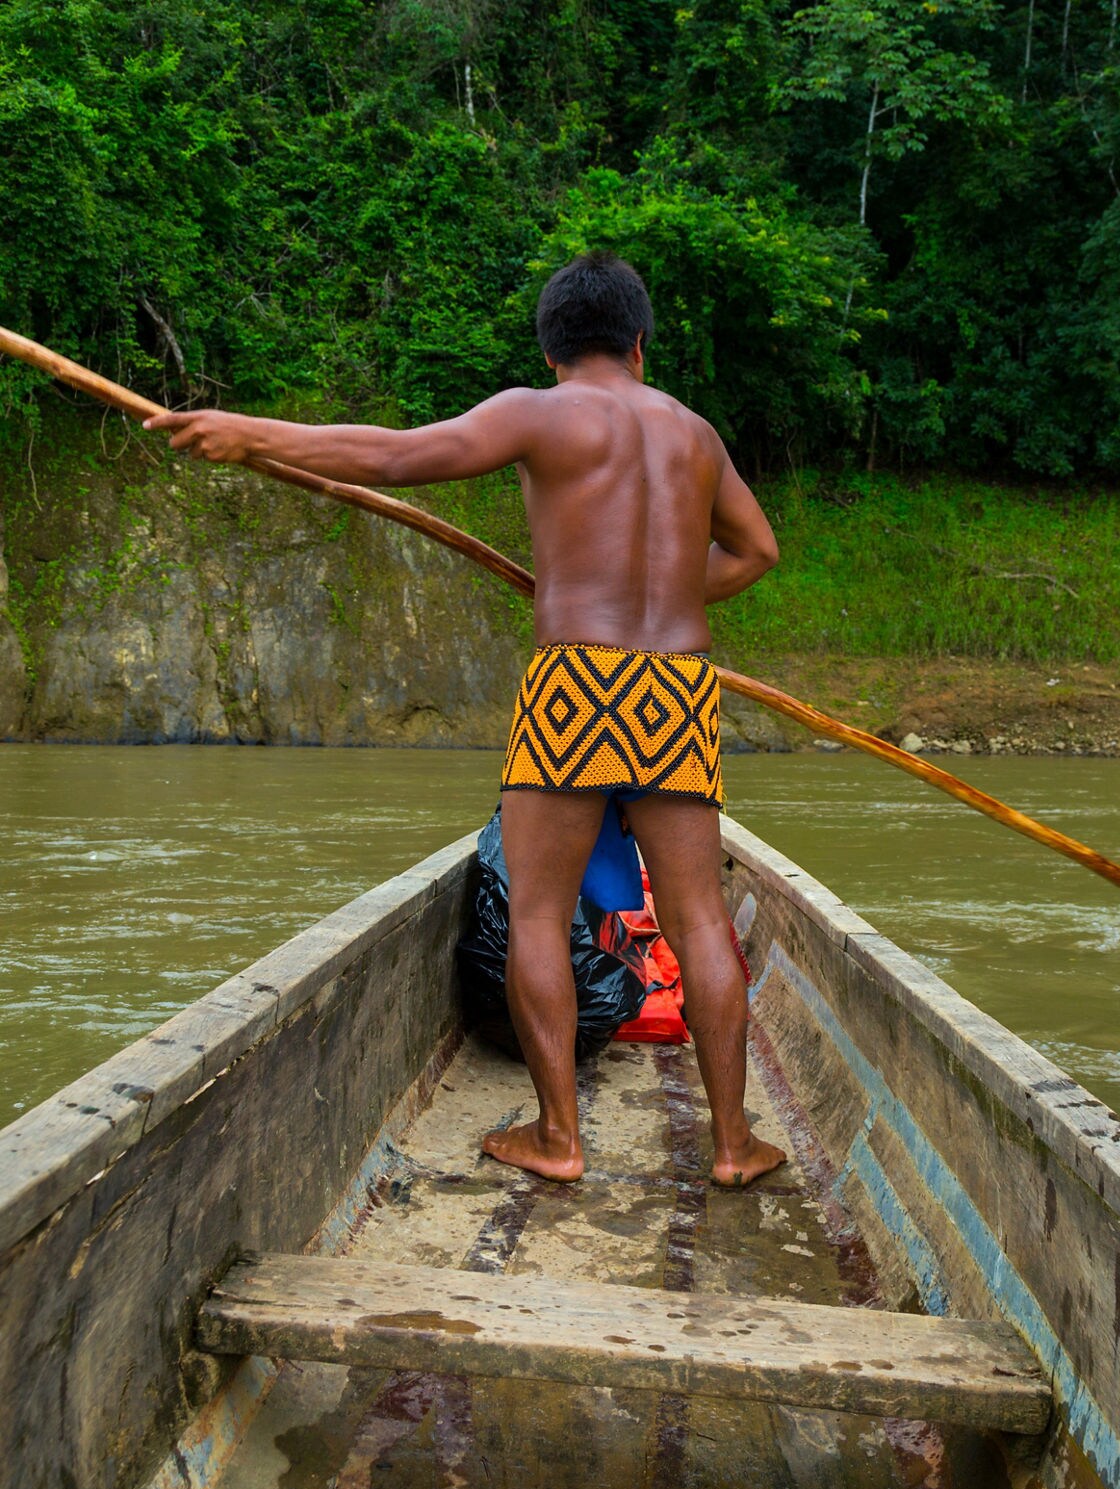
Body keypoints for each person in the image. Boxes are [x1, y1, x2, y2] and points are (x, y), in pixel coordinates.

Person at [145, 252, 786, 1187]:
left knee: (535, 909)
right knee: (697, 919)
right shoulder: (696, 433)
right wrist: (665, 596)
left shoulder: (541, 409)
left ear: (553, 346)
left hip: (579, 680)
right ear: (641, 345)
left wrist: (253, 435)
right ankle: (735, 1145)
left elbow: (399, 455)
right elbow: (757, 548)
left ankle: (559, 1136)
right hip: (678, 686)